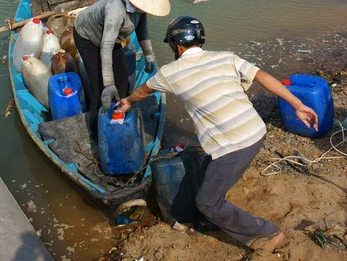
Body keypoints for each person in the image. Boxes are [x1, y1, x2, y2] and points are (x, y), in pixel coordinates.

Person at [118, 16, 318, 254]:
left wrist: (128, 101)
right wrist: (297, 104)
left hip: (234, 144)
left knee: (207, 202)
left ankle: (266, 233)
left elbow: (142, 91)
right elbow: (262, 77)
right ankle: (211, 219)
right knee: (206, 169)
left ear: (176, 45)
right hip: (255, 130)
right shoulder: (226, 57)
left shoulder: (170, 72)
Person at [73, 0, 170, 138]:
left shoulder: (140, 9)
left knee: (123, 79)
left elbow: (142, 32)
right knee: (100, 85)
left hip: (111, 37)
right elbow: (106, 46)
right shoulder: (115, 10)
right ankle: (97, 130)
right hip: (87, 36)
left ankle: (119, 114)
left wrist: (149, 56)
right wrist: (109, 83)